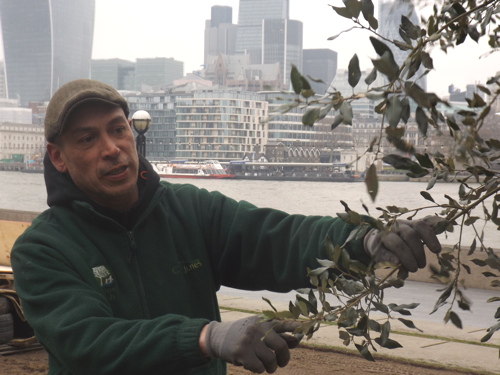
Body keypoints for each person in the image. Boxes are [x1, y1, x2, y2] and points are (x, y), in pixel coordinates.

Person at [11, 79, 442, 375]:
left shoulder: (189, 210)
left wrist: (363, 239)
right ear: (58, 157)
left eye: (118, 129)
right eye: (87, 139)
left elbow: (274, 237)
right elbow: (88, 341)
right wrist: (205, 337)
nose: (111, 149)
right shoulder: (42, 249)